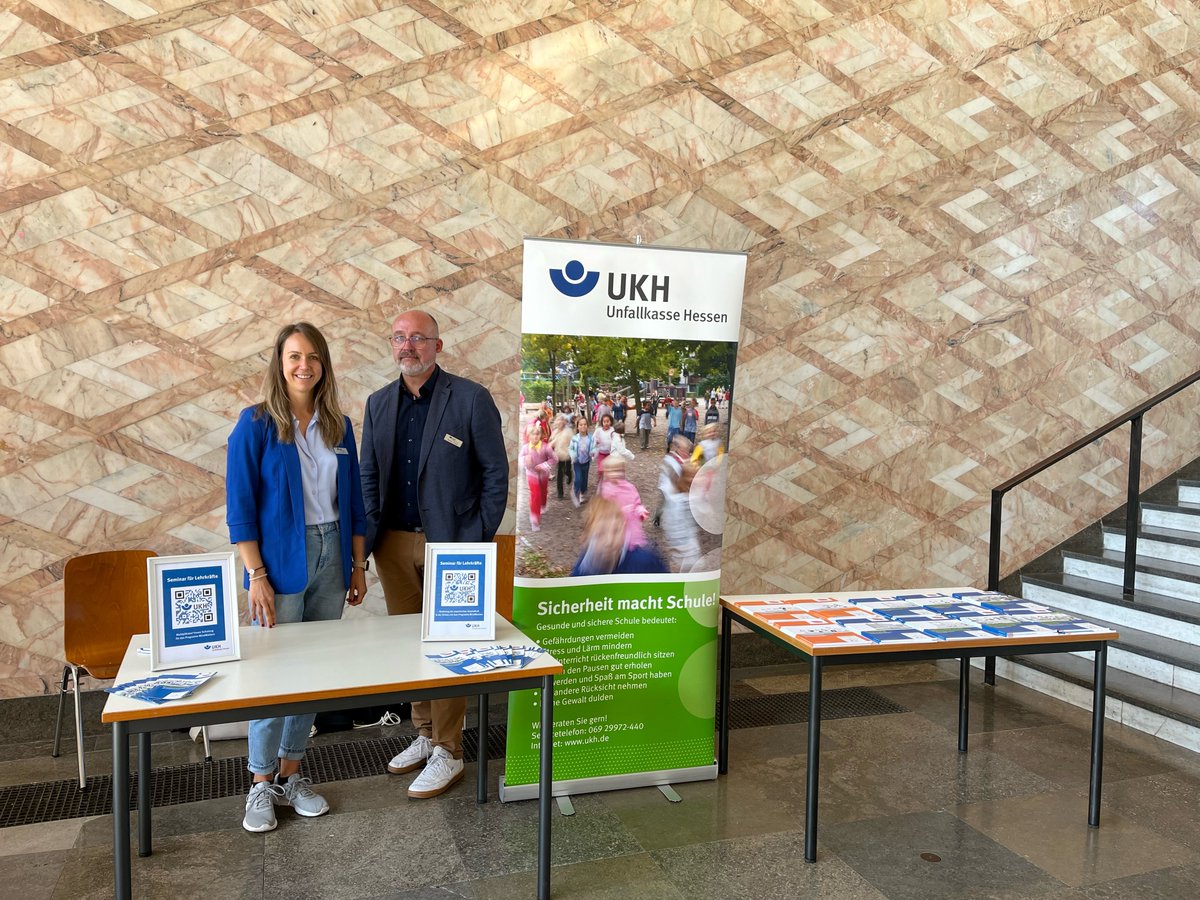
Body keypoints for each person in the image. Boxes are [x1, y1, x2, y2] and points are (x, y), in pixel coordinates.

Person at [226, 322, 368, 833]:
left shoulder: (338, 426)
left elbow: (353, 503)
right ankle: (260, 784)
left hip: (334, 554)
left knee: (310, 675)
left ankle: (292, 774)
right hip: (280, 560)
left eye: (312, 356)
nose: (303, 365)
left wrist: (357, 564)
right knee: (272, 676)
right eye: (293, 357)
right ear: (279, 364)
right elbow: (239, 508)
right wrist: (256, 574)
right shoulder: (256, 424)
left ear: (323, 364)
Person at [360, 309, 507, 798]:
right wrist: (367, 543)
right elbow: (367, 477)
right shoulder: (378, 404)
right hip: (394, 544)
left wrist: (478, 536)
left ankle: (450, 749)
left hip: (455, 546)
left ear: (437, 346)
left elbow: (494, 473)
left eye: (418, 338)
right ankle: (425, 735)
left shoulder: (469, 398)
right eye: (399, 338)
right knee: (413, 644)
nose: (408, 346)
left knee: (450, 646)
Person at [570, 497, 668, 576]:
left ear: (624, 530)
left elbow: (668, 589)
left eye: (615, 531)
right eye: (600, 534)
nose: (609, 541)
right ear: (586, 538)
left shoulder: (644, 560)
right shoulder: (581, 573)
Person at [597, 455, 649, 549]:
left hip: (632, 527)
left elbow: (636, 503)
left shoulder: (630, 488)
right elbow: (604, 512)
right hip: (615, 531)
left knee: (633, 551)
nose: (616, 474)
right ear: (606, 473)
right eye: (612, 471)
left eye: (619, 470)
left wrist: (640, 511)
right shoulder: (605, 491)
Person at [662, 457, 701, 572]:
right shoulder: (678, 500)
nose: (694, 479)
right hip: (682, 546)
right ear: (684, 477)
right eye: (691, 476)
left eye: (696, 476)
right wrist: (677, 545)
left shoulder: (690, 494)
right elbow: (671, 523)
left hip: (690, 542)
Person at [521, 419, 555, 531]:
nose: (535, 436)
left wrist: (544, 466)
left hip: (544, 475)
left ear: (541, 435)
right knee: (535, 494)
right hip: (532, 475)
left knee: (543, 492)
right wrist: (525, 460)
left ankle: (543, 504)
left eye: (537, 434)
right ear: (528, 436)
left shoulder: (546, 447)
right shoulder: (525, 448)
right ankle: (534, 518)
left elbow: (554, 459)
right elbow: (519, 460)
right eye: (533, 434)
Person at [569, 415, 592, 506]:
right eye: (581, 425)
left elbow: (593, 447)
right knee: (578, 478)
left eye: (585, 424)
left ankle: (582, 494)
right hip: (577, 462)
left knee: (585, 479)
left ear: (587, 426)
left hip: (586, 462)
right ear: (577, 427)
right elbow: (570, 448)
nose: (583, 426)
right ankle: (575, 492)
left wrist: (593, 453)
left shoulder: (590, 438)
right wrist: (573, 455)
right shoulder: (575, 438)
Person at [550, 413, 574, 500]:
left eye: (561, 420)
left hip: (567, 456)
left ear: (564, 422)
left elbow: (573, 442)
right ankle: (560, 492)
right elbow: (551, 443)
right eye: (558, 420)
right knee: (560, 474)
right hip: (559, 457)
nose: (559, 422)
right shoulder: (555, 432)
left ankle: (569, 474)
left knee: (567, 470)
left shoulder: (568, 431)